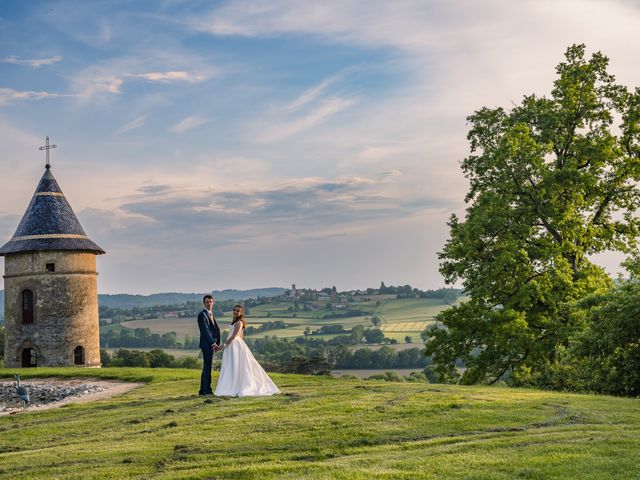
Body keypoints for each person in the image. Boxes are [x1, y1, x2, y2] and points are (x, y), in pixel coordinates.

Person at [214, 304, 280, 397]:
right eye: (235, 310)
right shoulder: (235, 322)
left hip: (234, 345)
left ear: (241, 313)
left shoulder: (239, 323)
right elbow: (241, 336)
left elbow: (234, 336)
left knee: (236, 365)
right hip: (233, 345)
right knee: (231, 365)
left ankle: (236, 386)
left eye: (238, 311)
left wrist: (223, 346)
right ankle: (231, 384)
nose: (236, 312)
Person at [197, 294, 221, 395]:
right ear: (204, 303)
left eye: (210, 302)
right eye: (207, 302)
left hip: (211, 344)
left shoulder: (210, 314)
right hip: (206, 345)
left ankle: (203, 390)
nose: (209, 304)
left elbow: (215, 329)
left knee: (207, 367)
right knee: (208, 367)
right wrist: (213, 344)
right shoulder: (202, 315)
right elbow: (205, 331)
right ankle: (207, 390)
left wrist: (217, 343)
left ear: (213, 302)